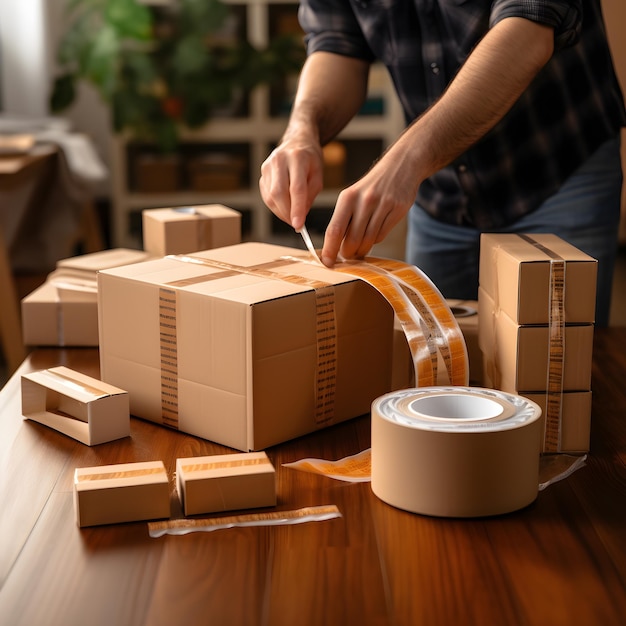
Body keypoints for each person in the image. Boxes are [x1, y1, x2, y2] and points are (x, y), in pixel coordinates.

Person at [259, 0, 625, 327]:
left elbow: (529, 24)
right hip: (441, 196)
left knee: (556, 382)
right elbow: (336, 43)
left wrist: (407, 161)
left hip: (554, 170)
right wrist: (301, 130)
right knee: (435, 368)